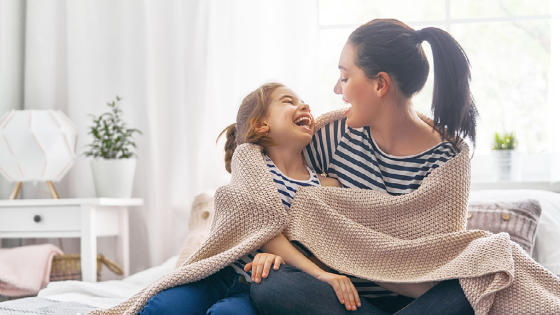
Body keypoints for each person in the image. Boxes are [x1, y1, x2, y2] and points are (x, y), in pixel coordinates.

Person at [250, 19, 478, 315]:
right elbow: (269, 187)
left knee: (472, 288)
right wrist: (270, 254)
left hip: (418, 302)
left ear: (380, 84)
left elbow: (437, 265)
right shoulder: (333, 136)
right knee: (273, 284)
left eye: (345, 77)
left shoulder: (446, 163)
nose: (337, 89)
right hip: (341, 297)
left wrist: (377, 262)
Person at [138, 82, 373, 314]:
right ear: (261, 124)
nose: (304, 106)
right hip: (221, 275)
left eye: (302, 102)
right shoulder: (250, 163)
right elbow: (261, 224)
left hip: (258, 287)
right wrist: (318, 273)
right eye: (289, 101)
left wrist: (288, 264)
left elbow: (332, 247)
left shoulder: (328, 186)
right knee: (164, 307)